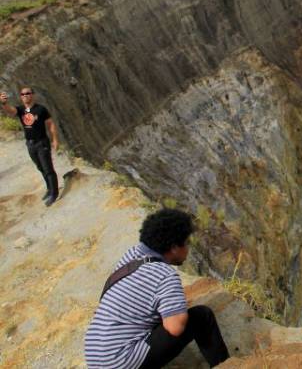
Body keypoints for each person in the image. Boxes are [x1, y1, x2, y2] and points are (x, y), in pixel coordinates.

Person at [84, 208, 230, 369]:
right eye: (186, 243)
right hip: (119, 361)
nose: (188, 248)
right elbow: (175, 327)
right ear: (174, 247)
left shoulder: (132, 255)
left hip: (94, 355)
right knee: (202, 316)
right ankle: (226, 365)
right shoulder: (165, 275)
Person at [0, 87, 60, 205]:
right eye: (22, 94)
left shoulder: (41, 109)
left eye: (27, 93)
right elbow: (10, 111)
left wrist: (55, 140)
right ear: (21, 96)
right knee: (40, 167)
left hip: (41, 142)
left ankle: (54, 193)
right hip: (30, 144)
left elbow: (51, 124)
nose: (25, 95)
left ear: (33, 95)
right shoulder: (21, 110)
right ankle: (49, 189)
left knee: (48, 168)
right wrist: (4, 103)